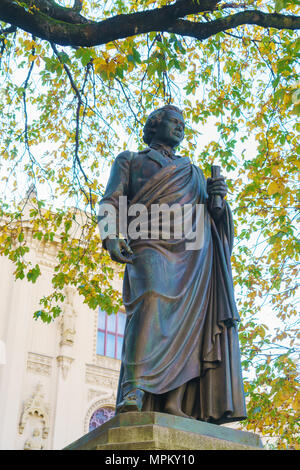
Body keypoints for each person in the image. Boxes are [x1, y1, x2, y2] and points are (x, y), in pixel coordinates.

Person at [98, 105, 247, 424]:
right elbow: (111, 200)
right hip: (148, 241)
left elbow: (210, 218)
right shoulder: (131, 160)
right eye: (173, 122)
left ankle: (174, 403)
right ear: (154, 125)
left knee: (190, 325)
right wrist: (110, 235)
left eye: (183, 124)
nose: (180, 128)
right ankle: (133, 390)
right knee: (151, 301)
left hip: (192, 255)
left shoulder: (192, 171)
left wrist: (219, 203)